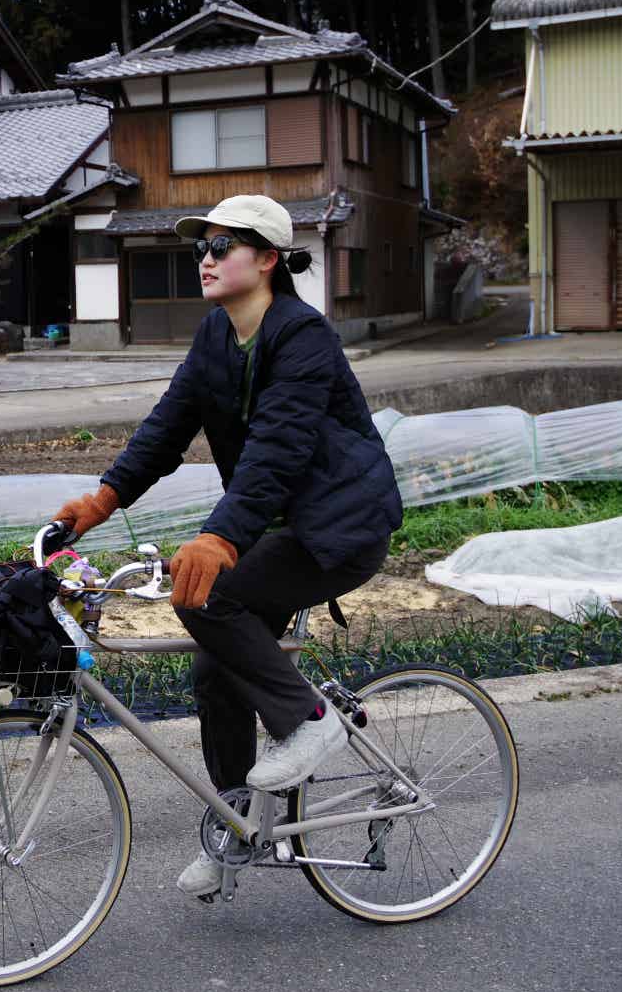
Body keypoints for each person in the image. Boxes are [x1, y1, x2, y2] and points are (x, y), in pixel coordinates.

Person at [50, 195, 402, 899]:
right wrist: (99, 502)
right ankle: (236, 825)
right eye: (201, 248)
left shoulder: (303, 337)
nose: (206, 259)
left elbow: (277, 450)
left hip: (339, 528)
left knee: (208, 593)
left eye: (222, 246)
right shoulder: (216, 335)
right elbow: (165, 429)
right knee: (215, 672)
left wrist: (218, 536)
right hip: (277, 526)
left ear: (267, 258)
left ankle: (309, 719)